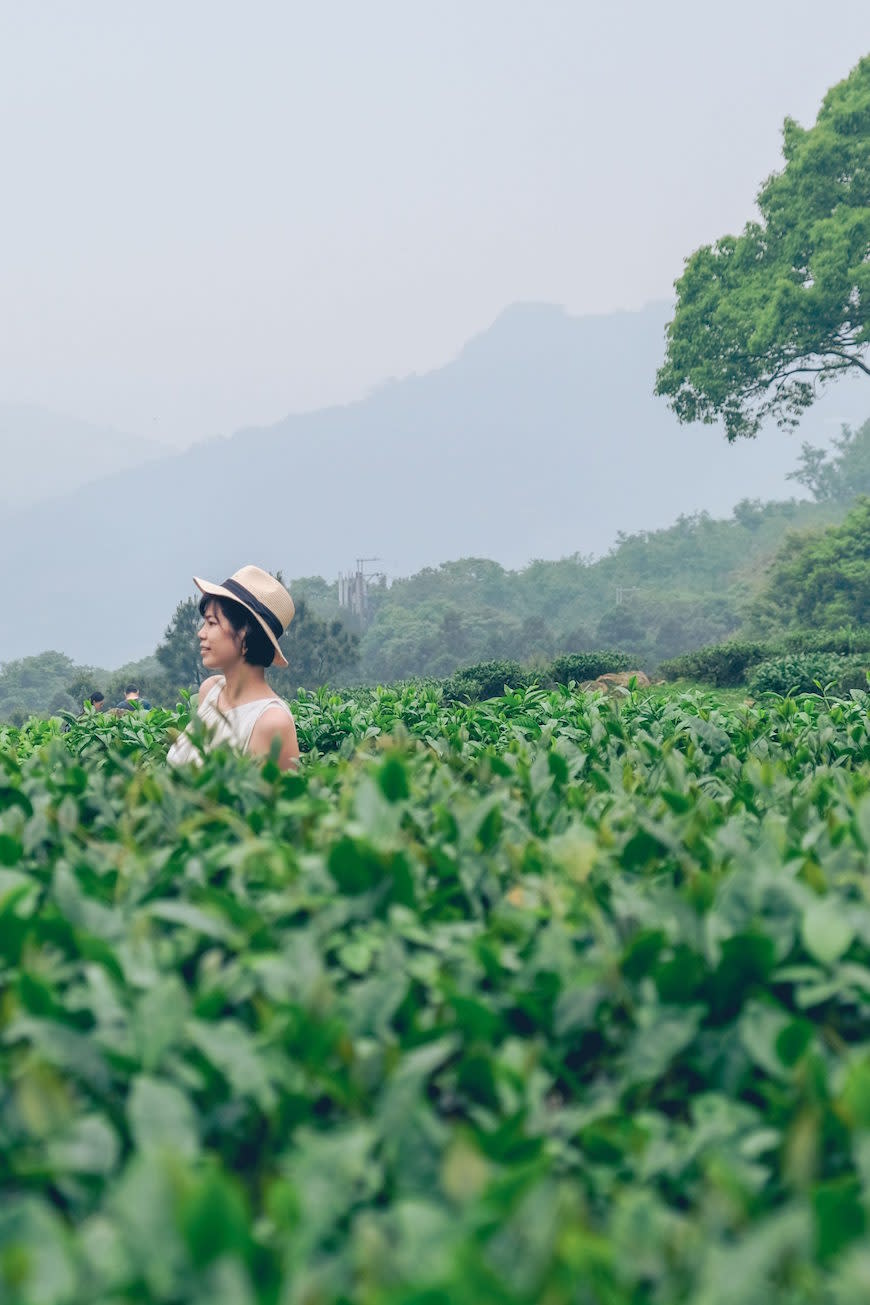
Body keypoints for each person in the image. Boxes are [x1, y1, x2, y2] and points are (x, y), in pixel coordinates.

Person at [167, 564, 300, 772]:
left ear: (245, 632)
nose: (201, 634)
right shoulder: (210, 691)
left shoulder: (271, 721)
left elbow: (279, 801)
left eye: (212, 623)